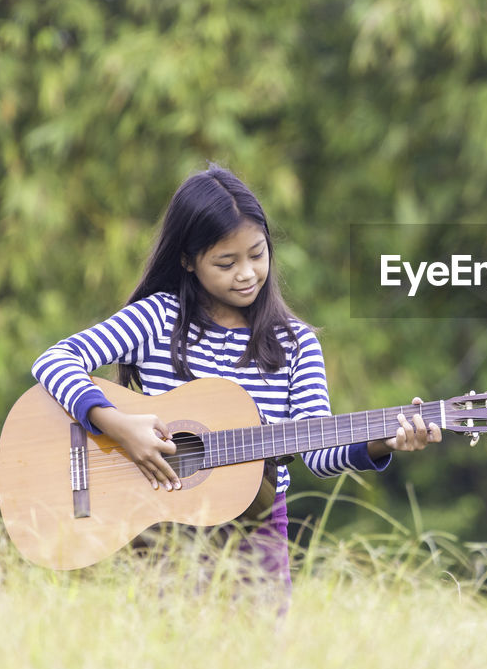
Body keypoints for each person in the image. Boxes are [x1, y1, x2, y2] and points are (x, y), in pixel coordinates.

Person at [31, 163, 439, 598]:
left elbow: (319, 452)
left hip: (255, 534)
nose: (246, 273)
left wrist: (382, 442)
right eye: (226, 263)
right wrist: (115, 425)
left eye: (257, 255)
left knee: (255, 659)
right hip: (158, 531)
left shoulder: (295, 343)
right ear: (188, 261)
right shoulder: (157, 319)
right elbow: (56, 359)